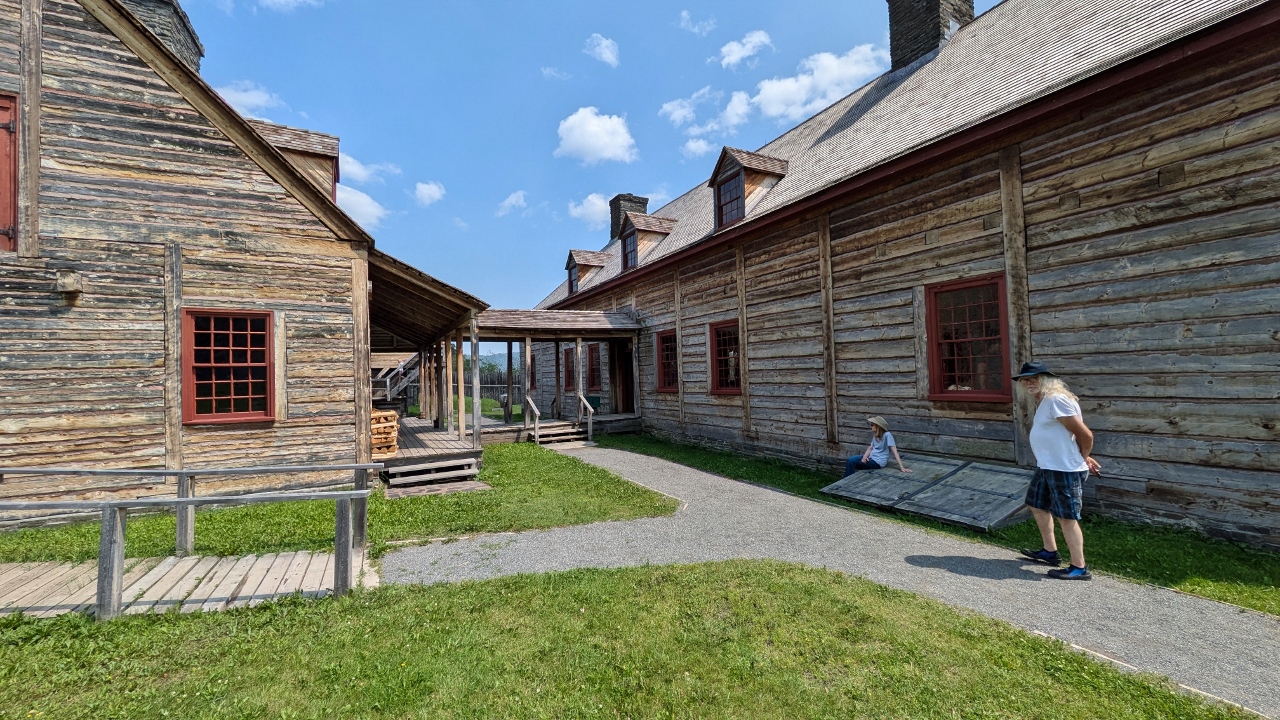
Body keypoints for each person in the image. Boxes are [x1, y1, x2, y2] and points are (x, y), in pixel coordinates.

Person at [1013, 361, 1102, 580]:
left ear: (1047, 379)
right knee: (1036, 504)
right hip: (1047, 466)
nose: (1029, 382)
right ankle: (1049, 552)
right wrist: (1083, 455)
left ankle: (1079, 568)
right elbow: (1067, 437)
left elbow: (1085, 434)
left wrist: (1081, 457)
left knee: (1067, 517)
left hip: (1064, 469)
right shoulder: (1045, 401)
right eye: (1025, 379)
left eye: (1035, 377)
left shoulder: (1056, 400)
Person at [844, 416, 912, 477]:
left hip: (878, 462)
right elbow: (870, 448)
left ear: (877, 426)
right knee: (851, 460)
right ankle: (846, 480)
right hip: (871, 458)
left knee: (854, 464)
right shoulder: (875, 436)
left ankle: (846, 481)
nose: (871, 426)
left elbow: (894, 451)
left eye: (872, 425)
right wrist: (864, 457)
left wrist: (902, 467)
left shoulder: (887, 435)